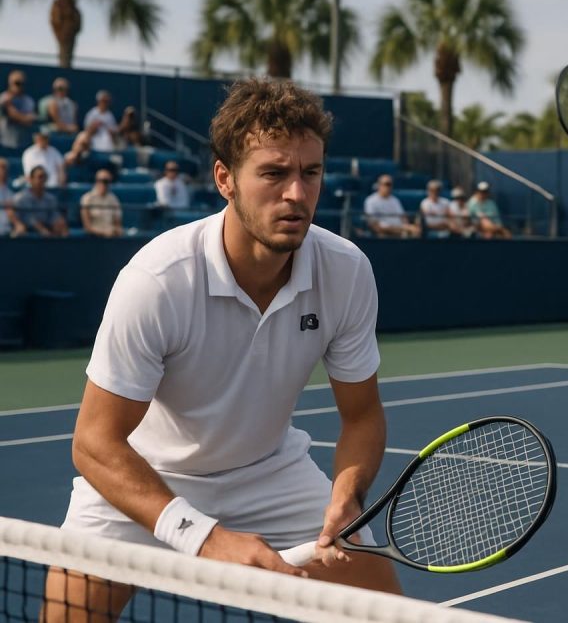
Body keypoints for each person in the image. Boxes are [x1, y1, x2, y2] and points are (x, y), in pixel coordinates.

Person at [43, 78, 401, 621]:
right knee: (67, 611)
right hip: (148, 475)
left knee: (384, 613)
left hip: (270, 474)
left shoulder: (347, 271)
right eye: (274, 173)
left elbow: (362, 416)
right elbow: (93, 444)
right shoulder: (159, 279)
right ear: (225, 179)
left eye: (311, 172)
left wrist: (347, 496)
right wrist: (204, 537)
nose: (297, 195)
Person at [9, 165, 68, 238]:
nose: (42, 180)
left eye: (44, 177)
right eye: (40, 177)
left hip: (46, 230)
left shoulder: (51, 199)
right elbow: (29, 219)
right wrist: (43, 230)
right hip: (25, 233)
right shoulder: (21, 198)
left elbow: (54, 216)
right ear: (31, 179)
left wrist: (60, 223)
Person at [80, 169, 123, 238]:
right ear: (96, 181)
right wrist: (103, 233)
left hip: (111, 238)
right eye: (100, 180)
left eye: (106, 181)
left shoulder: (113, 199)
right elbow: (87, 227)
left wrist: (117, 231)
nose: (103, 184)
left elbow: (117, 223)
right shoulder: (87, 198)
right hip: (93, 238)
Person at [0, 70, 37, 148]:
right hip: (3, 143)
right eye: (16, 83)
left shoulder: (28, 100)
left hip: (23, 143)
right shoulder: (3, 98)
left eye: (21, 83)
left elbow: (28, 120)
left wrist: (9, 107)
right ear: (10, 83)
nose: (19, 86)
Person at [0, 158, 14, 237]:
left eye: (5, 168)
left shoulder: (9, 193)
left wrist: (18, 224)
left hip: (6, 232)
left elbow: (10, 213)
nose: (3, 171)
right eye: (1, 168)